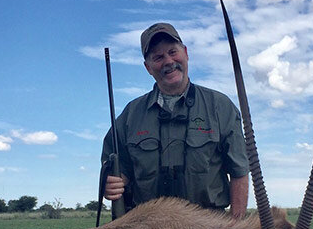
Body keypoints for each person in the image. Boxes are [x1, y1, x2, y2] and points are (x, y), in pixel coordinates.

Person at [102, 22, 249, 217]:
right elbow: (118, 171)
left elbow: (239, 172)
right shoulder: (130, 115)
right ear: (148, 67)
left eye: (173, 52)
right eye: (158, 57)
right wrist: (110, 185)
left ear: (186, 53)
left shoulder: (220, 106)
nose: (169, 61)